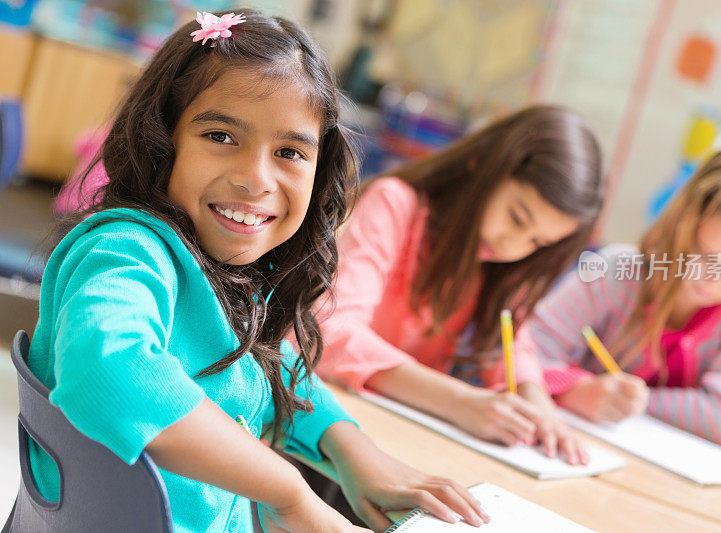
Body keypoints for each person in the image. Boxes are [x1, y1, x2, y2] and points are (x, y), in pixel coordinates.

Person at [27, 10, 488, 532]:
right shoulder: (127, 252)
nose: (255, 179)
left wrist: (351, 447)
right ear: (162, 140)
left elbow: (268, 370)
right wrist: (288, 489)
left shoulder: (226, 273)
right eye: (221, 136)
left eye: (290, 152)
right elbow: (108, 369)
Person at [317, 106, 606, 464]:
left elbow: (511, 345)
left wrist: (538, 403)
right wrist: (459, 402)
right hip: (327, 432)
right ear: (483, 165)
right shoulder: (396, 205)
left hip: (398, 444)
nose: (513, 246)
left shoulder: (504, 263)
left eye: (537, 242)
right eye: (516, 218)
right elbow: (329, 332)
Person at [526, 148, 721, 447]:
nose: (713, 278)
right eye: (706, 255)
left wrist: (636, 403)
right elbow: (524, 350)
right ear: (678, 226)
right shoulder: (617, 272)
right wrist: (575, 390)